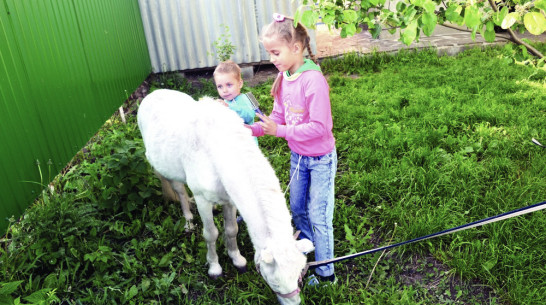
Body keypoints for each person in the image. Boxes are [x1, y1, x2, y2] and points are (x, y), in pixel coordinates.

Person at [248, 13, 337, 286]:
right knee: (298, 210)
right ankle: (307, 255)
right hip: (298, 157)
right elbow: (276, 120)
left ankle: (326, 274)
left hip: (320, 159)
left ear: (296, 48)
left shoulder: (312, 81)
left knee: (319, 215)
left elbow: (320, 127)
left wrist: (281, 131)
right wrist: (246, 129)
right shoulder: (284, 77)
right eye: (269, 53)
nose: (272, 58)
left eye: (276, 52)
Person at [213, 60, 258, 145]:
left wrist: (229, 107)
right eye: (220, 86)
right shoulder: (225, 102)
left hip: (247, 144)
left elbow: (249, 116)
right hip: (232, 143)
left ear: (240, 84)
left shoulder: (246, 98)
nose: (225, 90)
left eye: (229, 85)